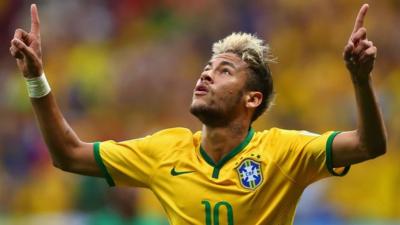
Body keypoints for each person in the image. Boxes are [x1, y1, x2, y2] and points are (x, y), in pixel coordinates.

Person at [9, 3, 386, 225]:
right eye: (208, 66)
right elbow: (68, 154)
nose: (206, 73)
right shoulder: (165, 150)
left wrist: (360, 79)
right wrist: (35, 78)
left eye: (224, 71)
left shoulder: (285, 152)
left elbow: (370, 144)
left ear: (251, 99)